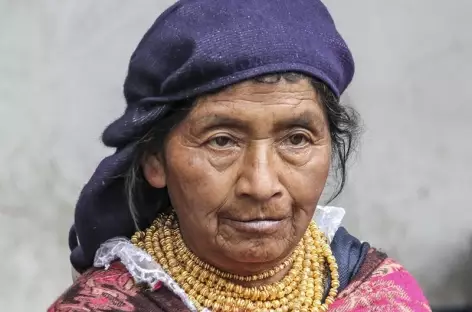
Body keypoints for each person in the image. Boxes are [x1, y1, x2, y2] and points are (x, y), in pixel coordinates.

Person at [49, 0, 431, 311]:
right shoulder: (107, 305)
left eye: (296, 139)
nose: (261, 185)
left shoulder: (384, 297)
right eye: (221, 141)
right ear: (155, 160)